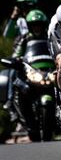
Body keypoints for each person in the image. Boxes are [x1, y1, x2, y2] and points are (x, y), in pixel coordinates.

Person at [5, 9, 49, 144]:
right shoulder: (23, 38)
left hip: (49, 72)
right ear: (29, 26)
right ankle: (29, 124)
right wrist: (16, 60)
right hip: (31, 73)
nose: (37, 27)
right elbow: (16, 54)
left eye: (39, 24)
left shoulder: (49, 36)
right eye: (34, 25)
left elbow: (58, 49)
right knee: (20, 87)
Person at [2, 0, 38, 114]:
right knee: (13, 71)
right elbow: (7, 35)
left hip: (36, 54)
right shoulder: (20, 22)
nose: (26, 10)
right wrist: (14, 15)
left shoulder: (38, 18)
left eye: (29, 7)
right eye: (24, 8)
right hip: (21, 56)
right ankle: (10, 100)